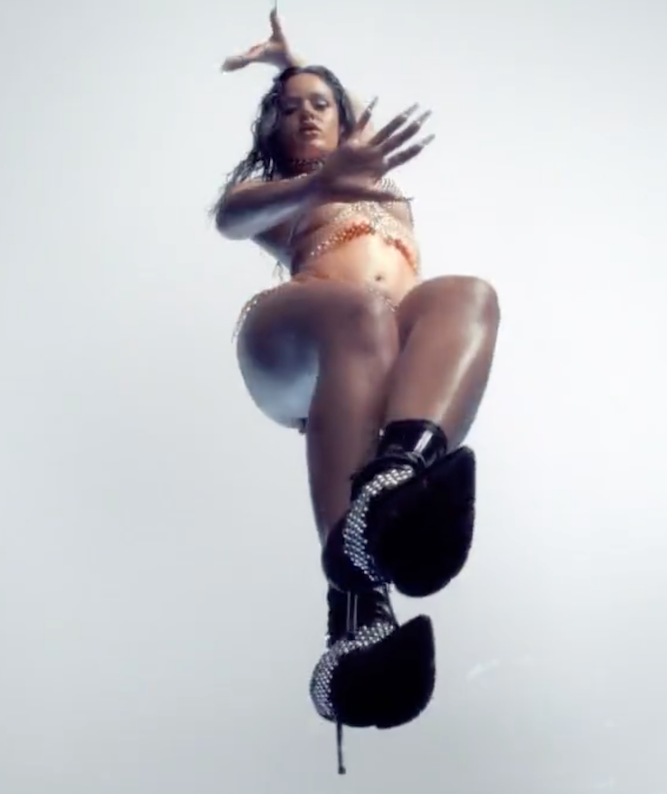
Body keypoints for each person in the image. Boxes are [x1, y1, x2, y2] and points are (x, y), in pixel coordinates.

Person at [215, 6, 501, 773]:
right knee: (366, 311)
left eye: (319, 104)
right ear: (272, 133)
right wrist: (319, 179)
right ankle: (352, 547)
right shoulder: (290, 192)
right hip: (294, 341)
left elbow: (335, 103)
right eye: (287, 109)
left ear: (346, 119)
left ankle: (388, 506)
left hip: (372, 368)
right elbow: (228, 218)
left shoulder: (383, 186)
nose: (304, 115)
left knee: (468, 295)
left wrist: (292, 63)